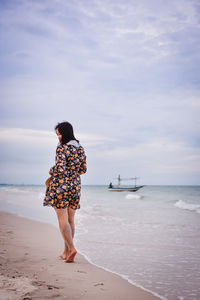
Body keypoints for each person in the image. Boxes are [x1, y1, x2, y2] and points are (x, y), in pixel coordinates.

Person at [43, 121, 87, 263]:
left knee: (62, 219)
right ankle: (66, 252)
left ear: (65, 133)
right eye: (57, 134)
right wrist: (72, 170)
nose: (58, 137)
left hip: (61, 185)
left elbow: (60, 169)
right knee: (70, 220)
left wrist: (52, 170)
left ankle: (72, 248)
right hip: (75, 185)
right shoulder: (80, 148)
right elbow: (83, 170)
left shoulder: (62, 148)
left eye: (59, 134)